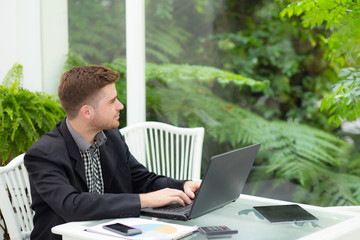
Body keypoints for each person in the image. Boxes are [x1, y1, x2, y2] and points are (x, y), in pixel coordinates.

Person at [24, 65, 201, 240]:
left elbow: (142, 180)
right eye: (112, 101)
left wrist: (183, 185)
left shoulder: (111, 137)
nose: (120, 106)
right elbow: (72, 206)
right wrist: (144, 200)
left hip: (114, 233)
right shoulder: (43, 154)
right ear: (87, 112)